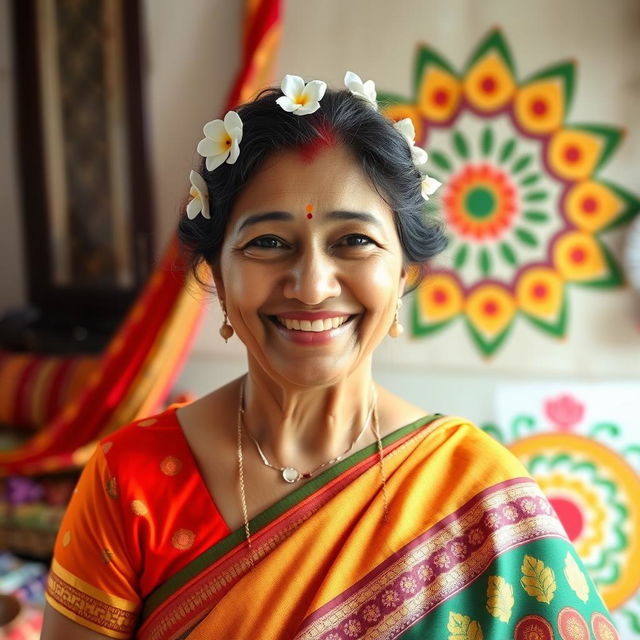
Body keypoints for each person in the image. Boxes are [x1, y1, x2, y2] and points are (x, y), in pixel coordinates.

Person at [41, 73, 619, 640]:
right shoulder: (130, 480)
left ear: (404, 273)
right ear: (217, 272)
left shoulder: (477, 492)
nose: (312, 286)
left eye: (354, 241)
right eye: (268, 242)